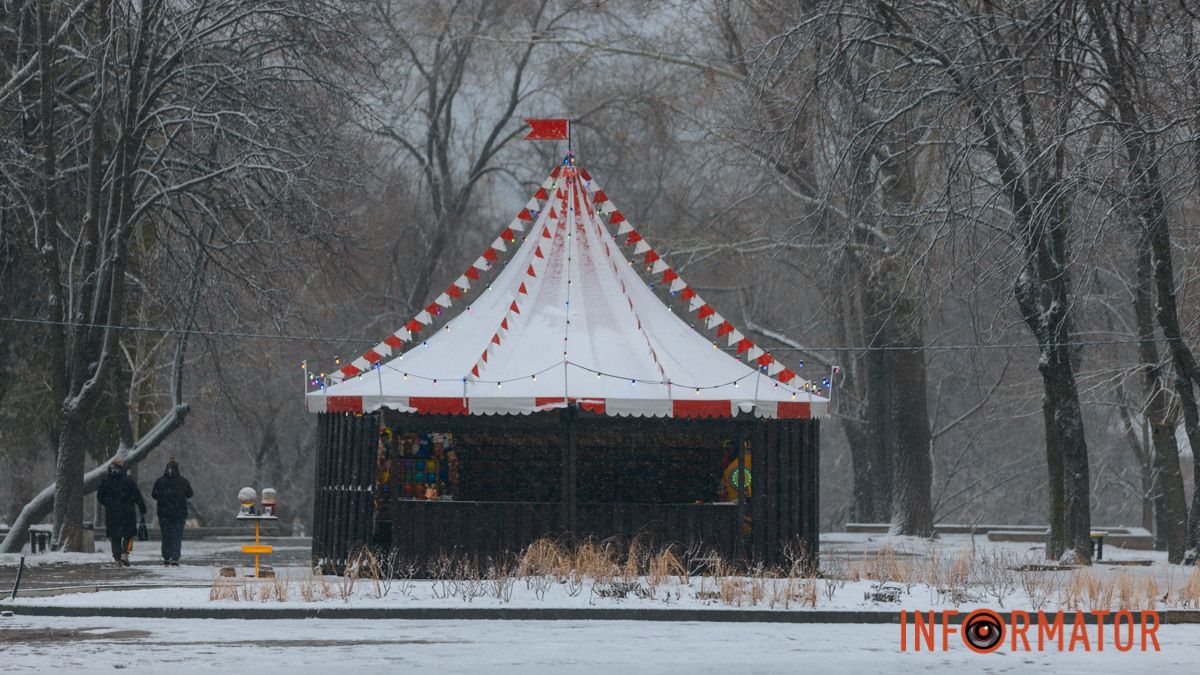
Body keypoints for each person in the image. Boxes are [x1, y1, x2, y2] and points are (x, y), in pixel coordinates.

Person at [97, 456, 146, 566]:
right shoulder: (128, 480)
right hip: (127, 513)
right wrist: (142, 509)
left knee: (115, 536)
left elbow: (100, 497)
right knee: (128, 535)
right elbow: (137, 495)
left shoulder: (106, 481)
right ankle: (125, 554)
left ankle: (117, 557)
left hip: (112, 513)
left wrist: (109, 504)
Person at [152, 457, 193, 566]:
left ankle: (166, 556)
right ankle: (175, 557)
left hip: (164, 513)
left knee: (166, 536)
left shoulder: (160, 482)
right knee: (177, 536)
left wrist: (164, 499)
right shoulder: (183, 482)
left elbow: (154, 495)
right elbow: (190, 494)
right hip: (179, 513)